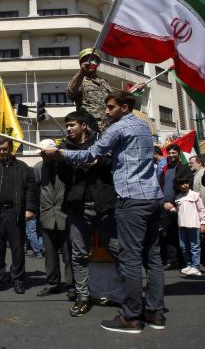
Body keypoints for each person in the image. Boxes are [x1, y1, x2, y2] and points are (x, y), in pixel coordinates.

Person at [45, 91, 165, 333]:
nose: (107, 111)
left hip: (131, 199)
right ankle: (154, 312)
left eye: (110, 107)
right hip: (153, 197)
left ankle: (131, 317)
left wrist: (59, 154)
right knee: (153, 259)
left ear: (124, 106)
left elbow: (91, 154)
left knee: (129, 258)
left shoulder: (117, 128)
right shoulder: (143, 125)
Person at [57, 111, 118, 316]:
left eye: (72, 124)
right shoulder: (64, 148)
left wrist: (97, 162)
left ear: (84, 125)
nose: (68, 129)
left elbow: (115, 165)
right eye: (67, 125)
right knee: (79, 254)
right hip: (77, 207)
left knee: (117, 249)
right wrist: (64, 161)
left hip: (105, 205)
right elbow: (63, 177)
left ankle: (129, 294)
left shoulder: (102, 142)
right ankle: (83, 297)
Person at [0, 139, 37, 295]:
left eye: (4, 149)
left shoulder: (23, 168)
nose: (1, 152)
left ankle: (18, 280)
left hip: (15, 213)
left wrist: (30, 209)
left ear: (12, 149)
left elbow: (31, 189)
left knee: (17, 249)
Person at [33, 138, 72, 298]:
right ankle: (52, 283)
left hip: (65, 215)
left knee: (69, 254)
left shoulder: (66, 166)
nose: (42, 156)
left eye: (45, 153)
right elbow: (36, 190)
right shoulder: (37, 168)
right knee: (49, 254)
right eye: (41, 153)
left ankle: (72, 285)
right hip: (47, 215)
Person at [159, 144, 192, 269]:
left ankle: (185, 260)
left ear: (179, 154)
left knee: (182, 233)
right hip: (165, 206)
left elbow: (186, 186)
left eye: (174, 153)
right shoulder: (165, 169)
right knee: (169, 234)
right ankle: (171, 260)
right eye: (169, 153)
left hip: (179, 205)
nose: (171, 155)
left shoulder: (184, 168)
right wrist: (163, 202)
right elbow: (160, 186)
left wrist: (173, 202)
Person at [67, 48, 113, 132]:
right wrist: (81, 72)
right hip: (90, 130)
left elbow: (115, 101)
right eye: (86, 60)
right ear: (81, 63)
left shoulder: (104, 82)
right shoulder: (80, 80)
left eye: (93, 60)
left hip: (108, 129)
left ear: (98, 63)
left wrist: (132, 90)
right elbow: (71, 93)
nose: (90, 62)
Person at [174, 177, 205, 276]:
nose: (184, 185)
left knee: (194, 246)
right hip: (182, 225)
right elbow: (179, 211)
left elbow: (201, 210)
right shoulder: (178, 197)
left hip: (193, 224)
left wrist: (203, 223)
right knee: (183, 247)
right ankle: (188, 265)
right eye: (182, 184)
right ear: (178, 186)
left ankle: (196, 267)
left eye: (186, 183)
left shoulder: (195, 195)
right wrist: (172, 209)